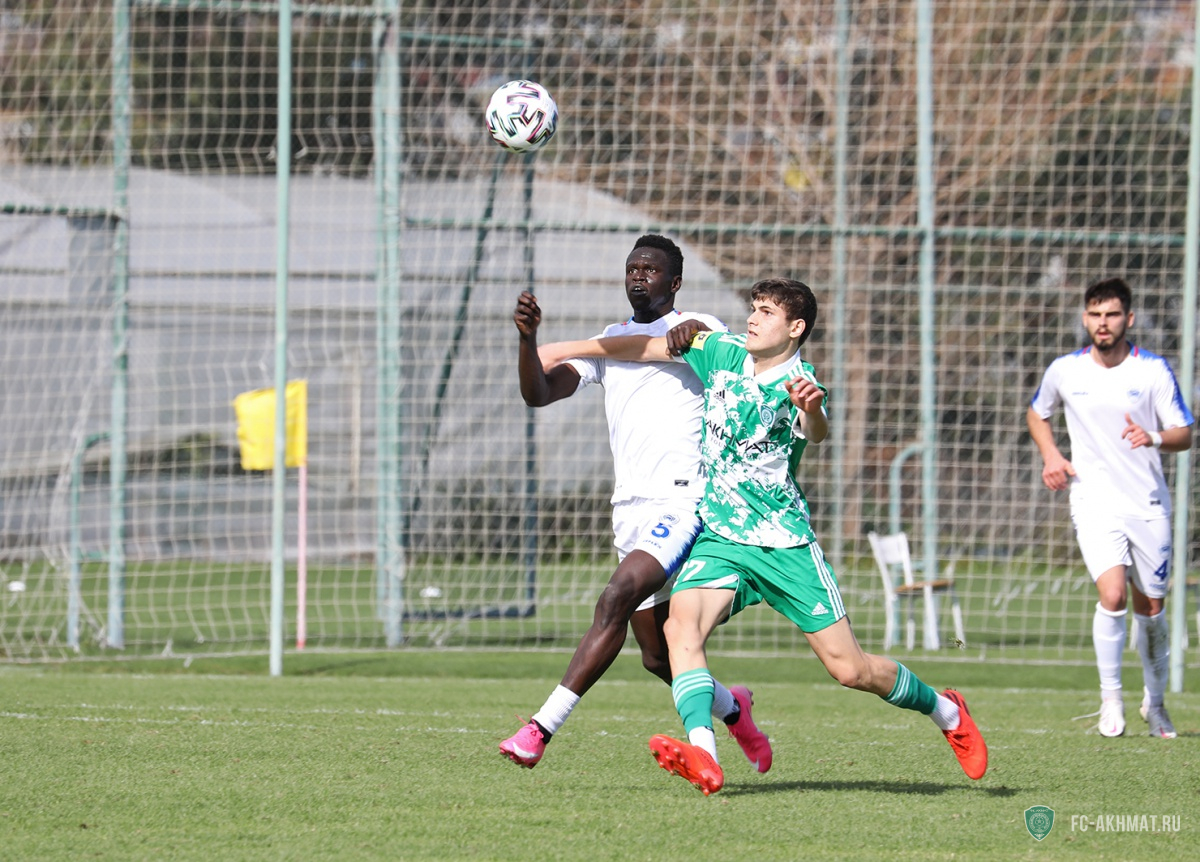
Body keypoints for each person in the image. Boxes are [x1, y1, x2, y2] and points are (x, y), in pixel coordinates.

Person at [538, 277, 988, 795]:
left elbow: (815, 430)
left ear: (795, 328)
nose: (753, 318)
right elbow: (644, 347)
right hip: (722, 536)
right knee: (680, 629)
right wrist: (565, 349)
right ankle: (705, 756)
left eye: (767, 312)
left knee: (851, 669)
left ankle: (947, 711)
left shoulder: (800, 383)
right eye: (754, 307)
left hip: (784, 543)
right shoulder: (720, 350)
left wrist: (811, 408)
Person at [499, 234, 773, 773]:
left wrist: (692, 336)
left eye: (650, 269)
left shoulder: (698, 326)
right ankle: (733, 708)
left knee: (615, 598)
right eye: (632, 268)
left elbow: (720, 350)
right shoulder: (611, 340)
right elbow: (539, 393)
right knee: (656, 656)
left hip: (683, 499)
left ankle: (539, 729)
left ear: (675, 282)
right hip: (629, 509)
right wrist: (528, 341)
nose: (639, 276)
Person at [1027, 276, 1193, 739]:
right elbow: (1038, 412)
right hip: (1094, 501)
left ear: (1128, 319)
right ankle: (1110, 700)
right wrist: (1052, 456)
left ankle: (1155, 704)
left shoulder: (1152, 371)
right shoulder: (1066, 370)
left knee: (1151, 608)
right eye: (1096, 314)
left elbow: (1184, 432)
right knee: (1113, 595)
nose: (1104, 323)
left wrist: (1153, 436)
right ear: (1085, 319)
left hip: (1147, 504)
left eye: (1113, 314)